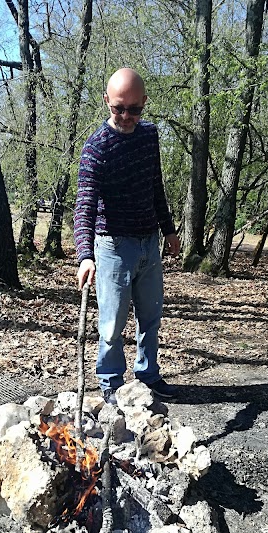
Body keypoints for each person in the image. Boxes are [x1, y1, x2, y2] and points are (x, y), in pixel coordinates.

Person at [73, 68, 180, 405]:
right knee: (111, 325)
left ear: (144, 103)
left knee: (150, 317)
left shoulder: (149, 136)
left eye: (135, 109)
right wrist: (85, 255)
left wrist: (169, 230)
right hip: (113, 248)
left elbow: (155, 186)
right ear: (107, 101)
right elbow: (85, 206)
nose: (126, 116)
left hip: (149, 243)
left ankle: (147, 377)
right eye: (118, 108)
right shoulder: (96, 149)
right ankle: (111, 384)